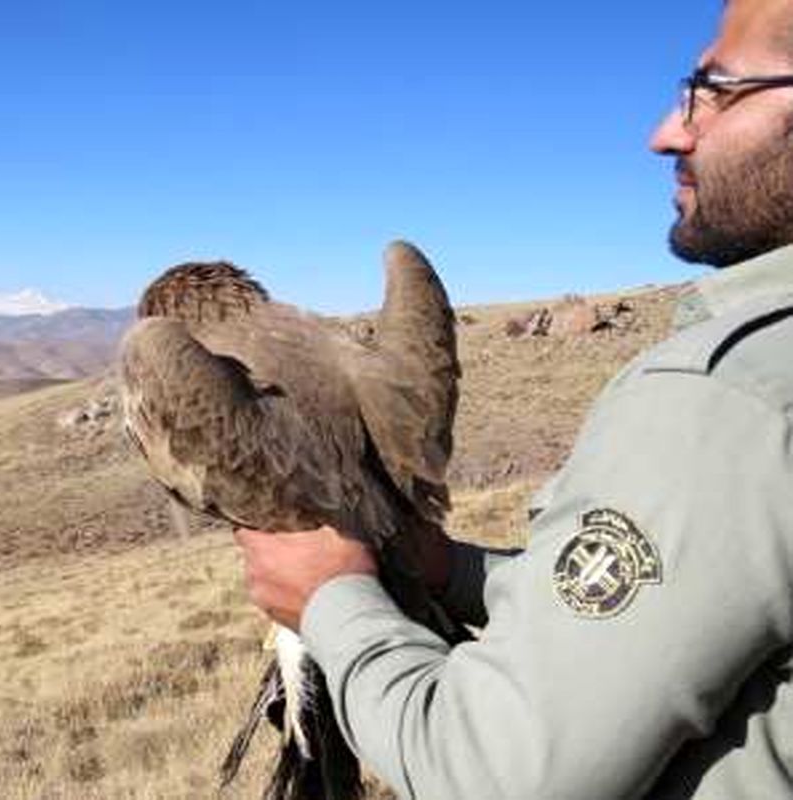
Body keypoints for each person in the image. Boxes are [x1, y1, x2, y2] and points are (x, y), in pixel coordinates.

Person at [234, 1, 793, 797]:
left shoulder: (729, 399)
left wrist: (331, 601)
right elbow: (692, 608)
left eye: (714, 88)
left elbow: (496, 776)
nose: (666, 132)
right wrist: (452, 569)